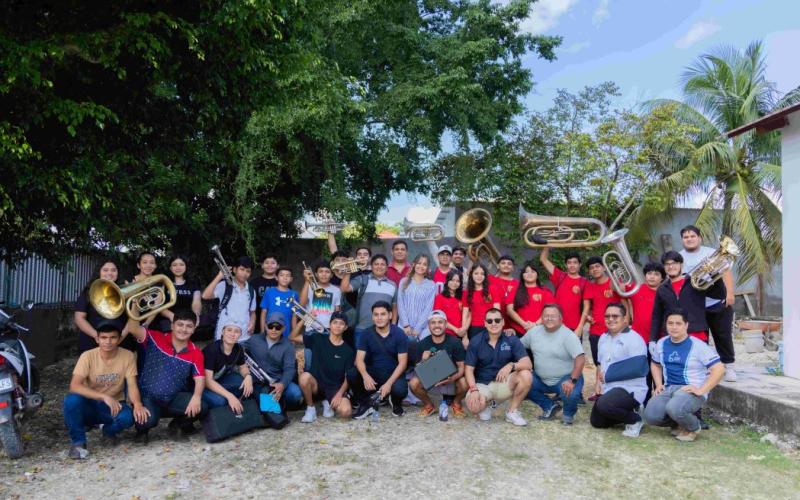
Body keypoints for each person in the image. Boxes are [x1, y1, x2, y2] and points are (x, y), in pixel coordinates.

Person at [63, 325, 148, 459]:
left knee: (128, 417)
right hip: (90, 404)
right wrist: (104, 397)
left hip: (114, 406)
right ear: (97, 339)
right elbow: (74, 386)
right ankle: (78, 443)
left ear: (119, 339)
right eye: (104, 337)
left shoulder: (128, 356)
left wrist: (137, 404)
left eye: (113, 337)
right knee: (71, 400)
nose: (108, 341)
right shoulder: (87, 356)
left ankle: (108, 431)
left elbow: (132, 384)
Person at [126, 309, 207, 444]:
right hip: (148, 398)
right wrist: (134, 303)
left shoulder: (196, 352)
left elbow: (200, 379)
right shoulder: (154, 337)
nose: (184, 329)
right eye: (180, 324)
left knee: (202, 407)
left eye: (189, 326)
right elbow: (133, 328)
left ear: (193, 330)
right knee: (146, 421)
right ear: (172, 326)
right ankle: (142, 431)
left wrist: (197, 397)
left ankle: (177, 425)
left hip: (173, 398)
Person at [644, 309, 725, 442]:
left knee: (675, 408)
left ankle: (693, 427)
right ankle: (678, 423)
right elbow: (655, 364)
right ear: (666, 325)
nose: (674, 327)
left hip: (690, 389)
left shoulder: (698, 345)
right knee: (650, 415)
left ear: (686, 325)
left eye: (678, 323)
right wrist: (658, 384)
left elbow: (719, 369)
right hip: (669, 388)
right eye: (670, 323)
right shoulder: (662, 343)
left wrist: (701, 390)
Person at [679, 225, 737, 381]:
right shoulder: (679, 257)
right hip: (694, 304)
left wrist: (730, 293)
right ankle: (703, 367)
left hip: (717, 301)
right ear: (682, 240)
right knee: (699, 337)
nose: (689, 239)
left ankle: (729, 366)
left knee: (723, 335)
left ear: (700, 238)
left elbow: (725, 272)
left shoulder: (711, 253)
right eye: (686, 237)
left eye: (692, 236)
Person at [464, 308, 532, 426]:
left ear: (503, 322)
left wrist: (511, 365)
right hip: (483, 384)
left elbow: (528, 363)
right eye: (489, 321)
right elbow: (468, 370)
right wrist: (474, 389)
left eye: (497, 320)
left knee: (526, 375)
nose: (494, 323)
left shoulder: (511, 339)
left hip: (503, 383)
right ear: (485, 323)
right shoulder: (476, 341)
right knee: (474, 407)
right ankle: (489, 405)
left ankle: (512, 412)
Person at [590, 303, 649, 437]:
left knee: (604, 405)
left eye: (615, 316)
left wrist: (609, 376)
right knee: (597, 421)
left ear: (624, 318)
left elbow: (638, 368)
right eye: (607, 316)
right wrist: (598, 383)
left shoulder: (634, 338)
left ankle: (635, 420)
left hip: (630, 389)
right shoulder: (603, 338)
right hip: (609, 388)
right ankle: (629, 411)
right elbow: (600, 364)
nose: (610, 319)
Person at [522, 304, 586, 425]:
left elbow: (581, 359)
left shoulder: (569, 336)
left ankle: (568, 413)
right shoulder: (533, 332)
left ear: (561, 318)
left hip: (565, 378)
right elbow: (518, 346)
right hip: (540, 379)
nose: (549, 318)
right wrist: (508, 335)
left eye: (553, 316)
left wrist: (572, 380)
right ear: (541, 318)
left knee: (571, 393)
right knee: (522, 381)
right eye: (546, 316)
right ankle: (549, 406)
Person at [650, 251, 726, 347]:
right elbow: (657, 316)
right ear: (664, 267)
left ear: (681, 265)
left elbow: (720, 294)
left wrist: (714, 273)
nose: (671, 266)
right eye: (667, 264)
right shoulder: (661, 289)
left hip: (697, 334)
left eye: (674, 263)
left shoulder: (695, 282)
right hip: (671, 336)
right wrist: (652, 340)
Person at [289, 311, 354, 422]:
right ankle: (311, 409)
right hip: (316, 385)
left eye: (341, 323)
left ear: (345, 327)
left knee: (346, 412)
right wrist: (305, 319)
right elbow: (292, 337)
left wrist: (339, 394)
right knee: (304, 377)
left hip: (334, 388)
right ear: (329, 325)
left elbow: (348, 376)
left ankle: (327, 402)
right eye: (335, 322)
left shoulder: (348, 350)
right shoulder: (317, 338)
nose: (338, 326)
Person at [348, 301, 409, 419]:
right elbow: (359, 360)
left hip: (393, 373)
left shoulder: (399, 334)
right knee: (352, 374)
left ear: (390, 315)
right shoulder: (366, 334)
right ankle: (365, 404)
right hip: (374, 372)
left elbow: (403, 363)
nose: (379, 318)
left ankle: (395, 402)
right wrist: (365, 376)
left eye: (383, 314)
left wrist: (388, 384)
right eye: (376, 314)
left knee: (400, 390)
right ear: (372, 317)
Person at [409, 311, 467, 418]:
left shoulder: (455, 342)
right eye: (433, 322)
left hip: (451, 379)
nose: (437, 325)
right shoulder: (422, 344)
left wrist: (452, 379)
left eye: (440, 322)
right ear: (428, 325)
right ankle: (429, 405)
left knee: (464, 383)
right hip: (432, 381)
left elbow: (461, 367)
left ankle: (456, 403)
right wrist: (423, 360)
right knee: (413, 383)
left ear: (446, 324)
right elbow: (417, 370)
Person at [245, 312, 303, 409]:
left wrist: (282, 384)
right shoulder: (254, 339)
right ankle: (271, 403)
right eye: (270, 326)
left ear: (284, 328)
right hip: (256, 382)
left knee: (295, 393)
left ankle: (277, 404)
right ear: (265, 326)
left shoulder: (288, 346)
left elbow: (289, 369)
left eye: (278, 327)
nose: (274, 330)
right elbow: (238, 349)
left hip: (277, 382)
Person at [74, 259, 134, 354]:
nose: (109, 273)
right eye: (105, 270)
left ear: (118, 273)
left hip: (121, 342)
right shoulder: (88, 292)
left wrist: (121, 336)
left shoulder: (126, 291)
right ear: (99, 272)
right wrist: (97, 336)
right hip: (92, 342)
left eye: (113, 270)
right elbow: (79, 318)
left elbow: (133, 317)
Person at [339, 254, 399, 346]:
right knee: (360, 355)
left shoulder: (393, 285)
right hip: (362, 329)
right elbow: (344, 288)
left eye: (382, 264)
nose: (379, 266)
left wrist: (393, 326)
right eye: (376, 264)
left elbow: (394, 307)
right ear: (371, 266)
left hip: (385, 330)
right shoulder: (362, 279)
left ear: (387, 267)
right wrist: (348, 271)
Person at [576, 256, 624, 365]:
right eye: (591, 268)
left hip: (615, 330)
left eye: (597, 266)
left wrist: (626, 321)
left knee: (617, 364)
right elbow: (587, 308)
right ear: (589, 271)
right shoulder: (589, 286)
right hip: (596, 331)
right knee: (599, 364)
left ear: (604, 267)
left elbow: (625, 303)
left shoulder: (615, 282)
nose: (595, 269)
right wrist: (587, 318)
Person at [202, 256, 256, 343]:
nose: (245, 273)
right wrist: (219, 276)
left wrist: (252, 322)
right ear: (234, 270)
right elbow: (205, 296)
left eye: (248, 271)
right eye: (242, 269)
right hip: (223, 335)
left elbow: (252, 312)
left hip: (244, 336)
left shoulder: (251, 290)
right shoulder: (224, 285)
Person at [201, 323, 253, 413]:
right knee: (220, 401)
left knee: (242, 383)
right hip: (201, 384)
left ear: (240, 335)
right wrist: (230, 396)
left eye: (236, 331)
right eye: (229, 330)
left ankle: (231, 401)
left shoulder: (238, 348)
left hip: (218, 379)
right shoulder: (212, 350)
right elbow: (208, 381)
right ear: (222, 332)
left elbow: (243, 367)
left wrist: (248, 376)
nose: (232, 334)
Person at [540, 248, 588, 332]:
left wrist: (580, 328)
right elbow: (543, 259)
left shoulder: (584, 282)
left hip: (574, 326)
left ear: (580, 264)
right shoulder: (560, 276)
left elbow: (587, 307)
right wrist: (547, 244)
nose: (572, 265)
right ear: (566, 265)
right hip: (555, 324)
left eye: (575, 262)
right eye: (569, 263)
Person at [507, 262, 555, 337]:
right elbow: (509, 310)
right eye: (526, 272)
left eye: (532, 271)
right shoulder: (515, 289)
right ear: (522, 275)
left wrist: (535, 324)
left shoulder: (546, 292)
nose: (529, 274)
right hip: (517, 331)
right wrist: (524, 324)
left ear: (537, 275)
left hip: (539, 331)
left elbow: (550, 312)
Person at [396, 254, 437, 341]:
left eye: (424, 264)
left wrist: (418, 328)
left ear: (427, 268)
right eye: (419, 263)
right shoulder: (404, 281)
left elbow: (428, 308)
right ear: (414, 264)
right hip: (403, 327)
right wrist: (405, 325)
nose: (421, 266)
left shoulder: (431, 285)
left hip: (423, 330)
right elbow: (400, 304)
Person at [159, 255, 202, 331]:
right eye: (174, 265)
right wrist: (172, 316)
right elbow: (159, 306)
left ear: (186, 266)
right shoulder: (163, 284)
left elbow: (196, 302)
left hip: (187, 320)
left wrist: (196, 315)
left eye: (181, 264)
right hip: (167, 322)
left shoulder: (193, 284)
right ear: (170, 268)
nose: (178, 267)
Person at [462, 263, 501, 346]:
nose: (479, 276)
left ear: (485, 276)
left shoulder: (492, 289)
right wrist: (464, 337)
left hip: (491, 326)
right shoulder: (466, 293)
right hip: (474, 328)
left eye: (482, 274)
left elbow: (497, 311)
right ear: (471, 275)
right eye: (476, 273)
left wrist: (497, 328)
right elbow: (465, 315)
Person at [628, 262, 665, 347]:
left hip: (658, 340)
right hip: (637, 339)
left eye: (656, 274)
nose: (652, 277)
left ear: (662, 278)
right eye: (649, 273)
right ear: (645, 275)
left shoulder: (665, 294)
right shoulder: (636, 289)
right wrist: (615, 276)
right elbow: (616, 288)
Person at [299, 260, 342, 331]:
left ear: (331, 275)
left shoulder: (336, 290)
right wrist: (307, 281)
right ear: (316, 274)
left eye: (327, 272)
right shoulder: (309, 287)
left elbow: (337, 311)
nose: (324, 274)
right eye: (321, 271)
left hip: (329, 328)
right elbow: (302, 304)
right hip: (311, 327)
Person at [259, 266, 299, 335]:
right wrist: (262, 331)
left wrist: (294, 334)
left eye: (288, 276)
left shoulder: (294, 294)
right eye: (282, 275)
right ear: (276, 277)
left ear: (291, 279)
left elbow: (294, 315)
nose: (285, 278)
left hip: (286, 332)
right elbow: (263, 312)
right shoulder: (269, 292)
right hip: (270, 330)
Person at [487, 255, 519, 336]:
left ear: (513, 268)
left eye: (509, 264)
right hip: (492, 322)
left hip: (512, 324)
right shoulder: (490, 279)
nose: (506, 265)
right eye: (503, 263)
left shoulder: (518, 284)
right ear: (498, 266)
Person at [433, 269, 467, 339]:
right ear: (447, 280)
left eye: (457, 281)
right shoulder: (439, 297)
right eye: (452, 280)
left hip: (462, 332)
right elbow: (438, 317)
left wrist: (464, 332)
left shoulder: (463, 295)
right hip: (445, 333)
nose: (454, 283)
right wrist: (455, 330)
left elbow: (468, 315)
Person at [250, 255, 280, 333]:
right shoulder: (254, 282)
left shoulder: (282, 282)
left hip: (278, 320)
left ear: (277, 266)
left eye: (273, 263)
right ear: (262, 265)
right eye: (266, 263)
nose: (269, 265)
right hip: (257, 320)